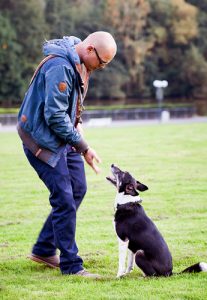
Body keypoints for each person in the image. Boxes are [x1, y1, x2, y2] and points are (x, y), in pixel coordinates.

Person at [17, 31, 117, 278]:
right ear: (91, 49)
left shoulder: (80, 64)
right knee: (63, 198)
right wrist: (83, 146)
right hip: (41, 140)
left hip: (63, 138)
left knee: (78, 189)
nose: (102, 68)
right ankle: (72, 266)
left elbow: (73, 109)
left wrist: (81, 140)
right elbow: (55, 117)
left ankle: (43, 248)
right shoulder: (60, 66)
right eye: (102, 63)